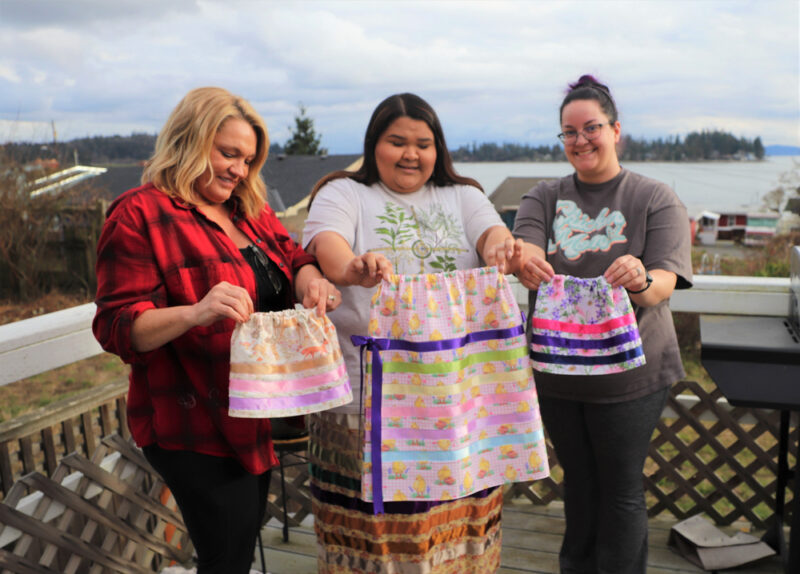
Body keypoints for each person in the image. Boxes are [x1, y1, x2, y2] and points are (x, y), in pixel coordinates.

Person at [92, 86, 341, 574]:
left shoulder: (246, 207)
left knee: (238, 552)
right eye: (228, 153)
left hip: (255, 412)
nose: (239, 170)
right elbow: (115, 325)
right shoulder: (138, 214)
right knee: (225, 559)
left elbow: (293, 257)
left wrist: (311, 281)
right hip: (193, 420)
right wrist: (195, 311)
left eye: (247, 159)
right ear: (189, 140)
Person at [302, 93, 524, 574]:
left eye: (423, 144)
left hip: (455, 396)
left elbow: (490, 236)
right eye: (397, 141)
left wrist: (503, 247)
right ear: (373, 144)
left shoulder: (462, 195)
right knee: (370, 533)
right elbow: (330, 251)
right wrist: (356, 267)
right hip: (365, 404)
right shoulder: (342, 193)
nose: (411, 154)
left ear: (438, 148)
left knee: (457, 521)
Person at [512, 75, 693, 574]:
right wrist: (524, 260)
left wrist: (638, 277)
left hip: (631, 373)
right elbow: (524, 244)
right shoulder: (543, 197)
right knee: (579, 481)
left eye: (591, 128)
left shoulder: (655, 197)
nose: (580, 140)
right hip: (557, 369)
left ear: (616, 130)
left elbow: (662, 283)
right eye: (568, 133)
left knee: (619, 485)